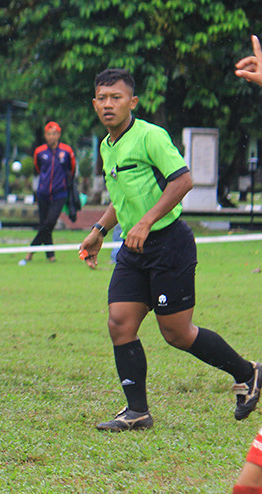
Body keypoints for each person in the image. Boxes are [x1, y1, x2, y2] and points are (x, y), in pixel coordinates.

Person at [79, 68, 260, 431]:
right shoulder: (106, 146)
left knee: (177, 332)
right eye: (102, 98)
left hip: (168, 244)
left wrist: (146, 221)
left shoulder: (151, 136)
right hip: (134, 248)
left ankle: (249, 373)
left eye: (117, 97)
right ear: (94, 104)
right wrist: (99, 230)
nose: (108, 104)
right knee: (119, 322)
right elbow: (122, 196)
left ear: (133, 102)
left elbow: (183, 181)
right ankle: (137, 412)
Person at [20, 122, 75, 265]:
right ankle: (50, 255)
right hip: (43, 193)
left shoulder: (66, 151)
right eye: (49, 134)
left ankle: (30, 251)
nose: (51, 137)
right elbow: (38, 168)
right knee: (45, 224)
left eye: (54, 134)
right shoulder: (40, 151)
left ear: (59, 135)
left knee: (50, 222)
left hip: (59, 193)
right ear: (45, 136)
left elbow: (72, 168)